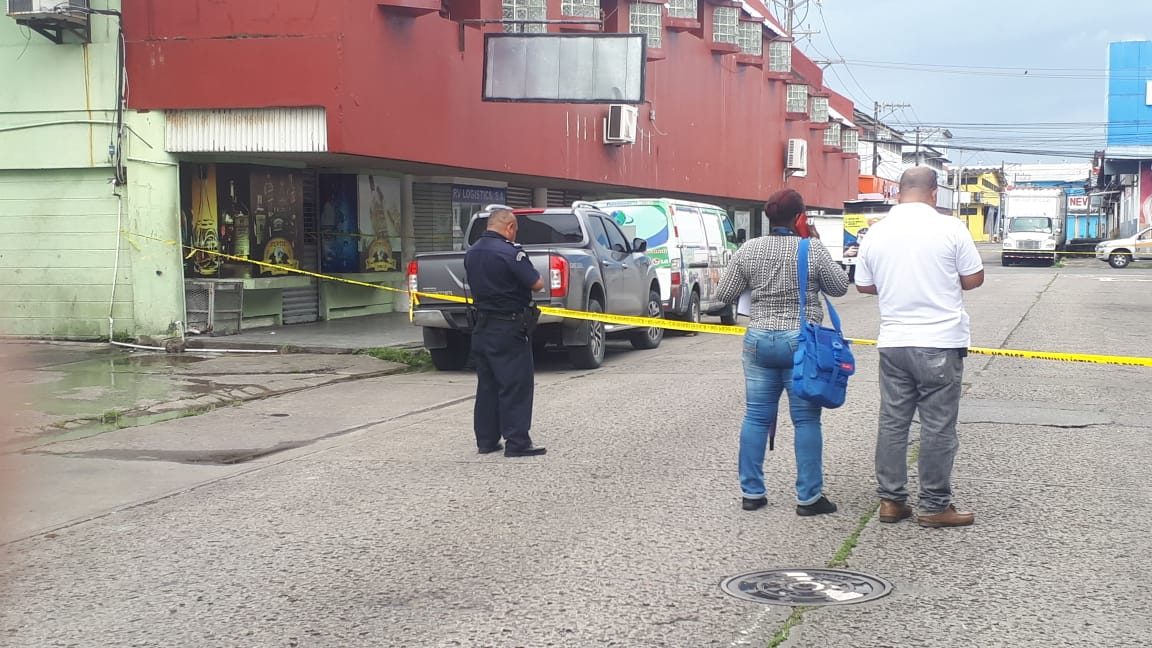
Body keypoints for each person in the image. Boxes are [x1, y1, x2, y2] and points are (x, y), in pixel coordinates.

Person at [854, 167, 985, 528]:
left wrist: (899, 284)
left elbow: (864, 286)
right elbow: (973, 278)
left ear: (899, 192)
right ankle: (934, 504)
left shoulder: (876, 233)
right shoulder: (950, 228)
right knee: (938, 425)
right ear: (934, 192)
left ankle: (891, 502)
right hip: (940, 342)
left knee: (893, 423)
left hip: (894, 342)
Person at [717, 189, 850, 516]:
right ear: (799, 217)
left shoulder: (749, 249)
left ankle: (752, 493)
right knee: (806, 420)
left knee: (756, 416)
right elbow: (839, 287)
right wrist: (816, 242)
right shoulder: (812, 249)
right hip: (800, 342)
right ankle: (808, 497)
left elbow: (723, 294)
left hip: (759, 340)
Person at [463, 207, 547, 458]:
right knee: (515, 384)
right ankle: (517, 442)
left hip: (482, 326)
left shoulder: (472, 252)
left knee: (487, 384)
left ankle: (486, 441)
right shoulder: (510, 253)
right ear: (509, 227)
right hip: (508, 326)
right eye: (515, 230)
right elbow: (537, 284)